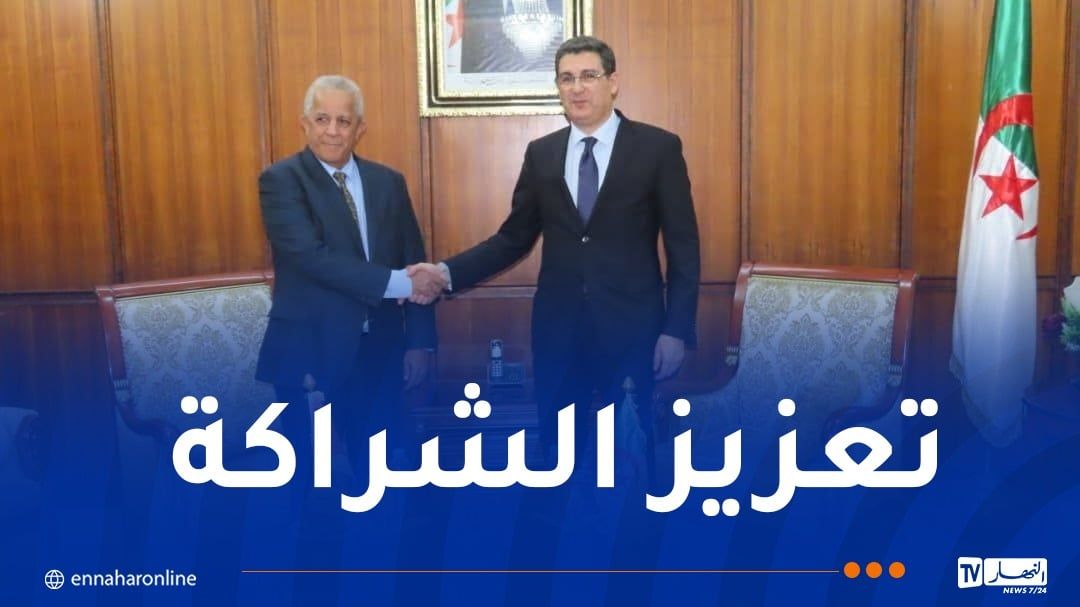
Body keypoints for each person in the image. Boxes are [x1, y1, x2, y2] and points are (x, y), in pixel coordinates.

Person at [411, 36, 700, 464]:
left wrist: (676, 331)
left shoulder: (658, 148)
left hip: (634, 333)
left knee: (630, 457)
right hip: (559, 334)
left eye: (588, 76)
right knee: (559, 456)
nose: (577, 87)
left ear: (613, 82)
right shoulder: (541, 154)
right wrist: (444, 273)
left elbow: (684, 248)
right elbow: (512, 239)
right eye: (566, 78)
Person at [256, 75, 447, 477]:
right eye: (322, 119)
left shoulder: (388, 182)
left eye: (344, 121)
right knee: (311, 478)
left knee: (378, 468)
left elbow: (413, 257)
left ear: (360, 129)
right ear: (304, 124)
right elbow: (310, 257)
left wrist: (419, 343)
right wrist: (402, 284)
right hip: (310, 351)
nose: (332, 131)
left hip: (379, 351)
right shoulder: (281, 181)